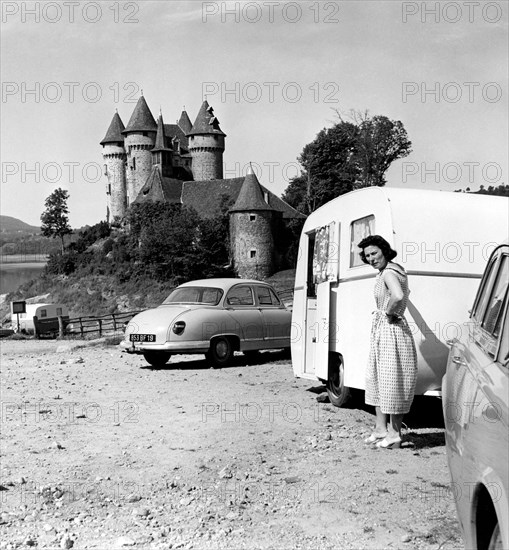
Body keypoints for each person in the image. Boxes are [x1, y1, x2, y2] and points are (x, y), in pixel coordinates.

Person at [358, 235, 417, 449]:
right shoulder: (390, 269)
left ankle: (394, 435)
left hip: (391, 330)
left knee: (393, 381)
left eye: (374, 253)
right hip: (386, 330)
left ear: (384, 250)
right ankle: (381, 428)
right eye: (367, 256)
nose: (371, 258)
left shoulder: (390, 272)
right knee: (378, 377)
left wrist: (389, 312)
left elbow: (399, 295)